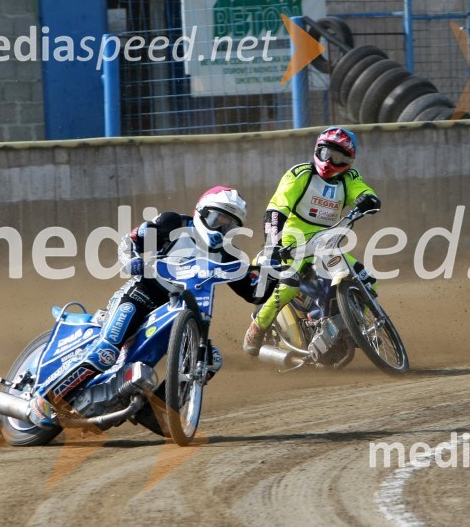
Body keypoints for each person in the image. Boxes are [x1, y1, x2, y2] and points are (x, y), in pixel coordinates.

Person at [28, 186, 267, 427]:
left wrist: (279, 274)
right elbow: (132, 239)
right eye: (217, 219)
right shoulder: (172, 222)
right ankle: (46, 397)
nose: (221, 229)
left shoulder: (230, 256)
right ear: (201, 212)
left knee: (210, 359)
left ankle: (157, 411)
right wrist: (132, 259)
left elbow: (254, 293)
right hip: (142, 295)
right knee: (107, 351)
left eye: (229, 225)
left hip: (181, 312)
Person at [242, 126, 382, 356]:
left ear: (349, 161)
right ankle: (257, 327)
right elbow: (276, 209)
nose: (329, 162)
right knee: (287, 287)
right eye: (326, 154)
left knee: (369, 281)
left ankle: (358, 326)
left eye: (337, 157)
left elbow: (361, 190)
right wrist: (273, 244)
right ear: (318, 150)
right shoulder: (300, 174)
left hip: (326, 247)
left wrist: (368, 198)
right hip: (292, 244)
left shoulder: (349, 179)